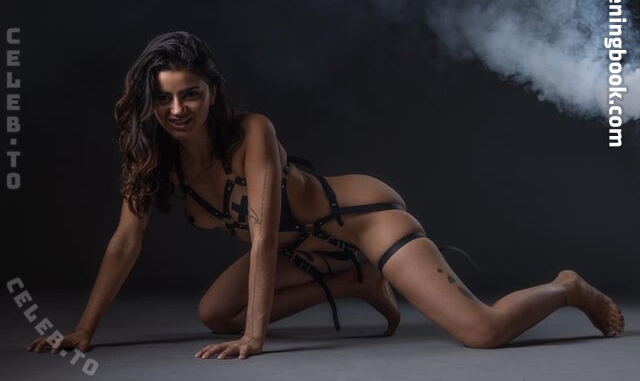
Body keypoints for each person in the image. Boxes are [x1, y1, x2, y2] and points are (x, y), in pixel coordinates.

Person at [26, 31, 625, 360]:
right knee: (213, 315)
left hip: (362, 220)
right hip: (306, 249)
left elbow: (263, 236)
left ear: (212, 93)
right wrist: (84, 332)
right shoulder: (155, 159)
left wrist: (256, 339)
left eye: (190, 94)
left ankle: (567, 287)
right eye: (163, 99)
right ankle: (355, 281)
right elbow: (124, 243)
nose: (177, 110)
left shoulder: (252, 133)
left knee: (482, 332)